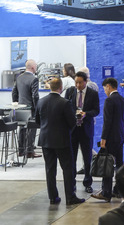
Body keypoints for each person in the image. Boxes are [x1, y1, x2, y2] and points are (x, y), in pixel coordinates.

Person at [36, 77, 85, 205]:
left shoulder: (41, 101)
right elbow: (72, 122)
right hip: (62, 141)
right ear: (61, 87)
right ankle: (70, 197)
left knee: (50, 169)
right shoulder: (64, 102)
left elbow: (37, 121)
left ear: (50, 87)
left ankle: (53, 197)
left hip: (45, 140)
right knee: (67, 169)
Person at [92, 77, 124, 202]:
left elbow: (107, 122)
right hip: (120, 137)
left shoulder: (109, 101)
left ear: (109, 86)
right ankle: (119, 190)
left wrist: (103, 138)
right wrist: (122, 130)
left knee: (107, 164)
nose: (104, 91)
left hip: (110, 138)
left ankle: (106, 192)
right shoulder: (123, 100)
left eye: (105, 88)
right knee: (119, 165)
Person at [64, 71, 100, 194]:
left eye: (80, 82)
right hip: (73, 130)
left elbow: (96, 111)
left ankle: (88, 182)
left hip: (86, 129)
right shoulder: (70, 92)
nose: (78, 85)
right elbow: (66, 107)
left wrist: (86, 114)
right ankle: (72, 183)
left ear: (85, 82)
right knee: (72, 157)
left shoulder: (93, 94)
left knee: (87, 158)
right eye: (76, 82)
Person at [12, 59, 41, 158]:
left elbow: (14, 93)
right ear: (33, 67)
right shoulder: (34, 79)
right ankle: (29, 151)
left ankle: (20, 151)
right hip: (30, 109)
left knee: (22, 129)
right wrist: (37, 108)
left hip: (20, 108)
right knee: (32, 129)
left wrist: (16, 103)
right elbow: (35, 96)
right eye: (36, 66)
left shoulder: (19, 78)